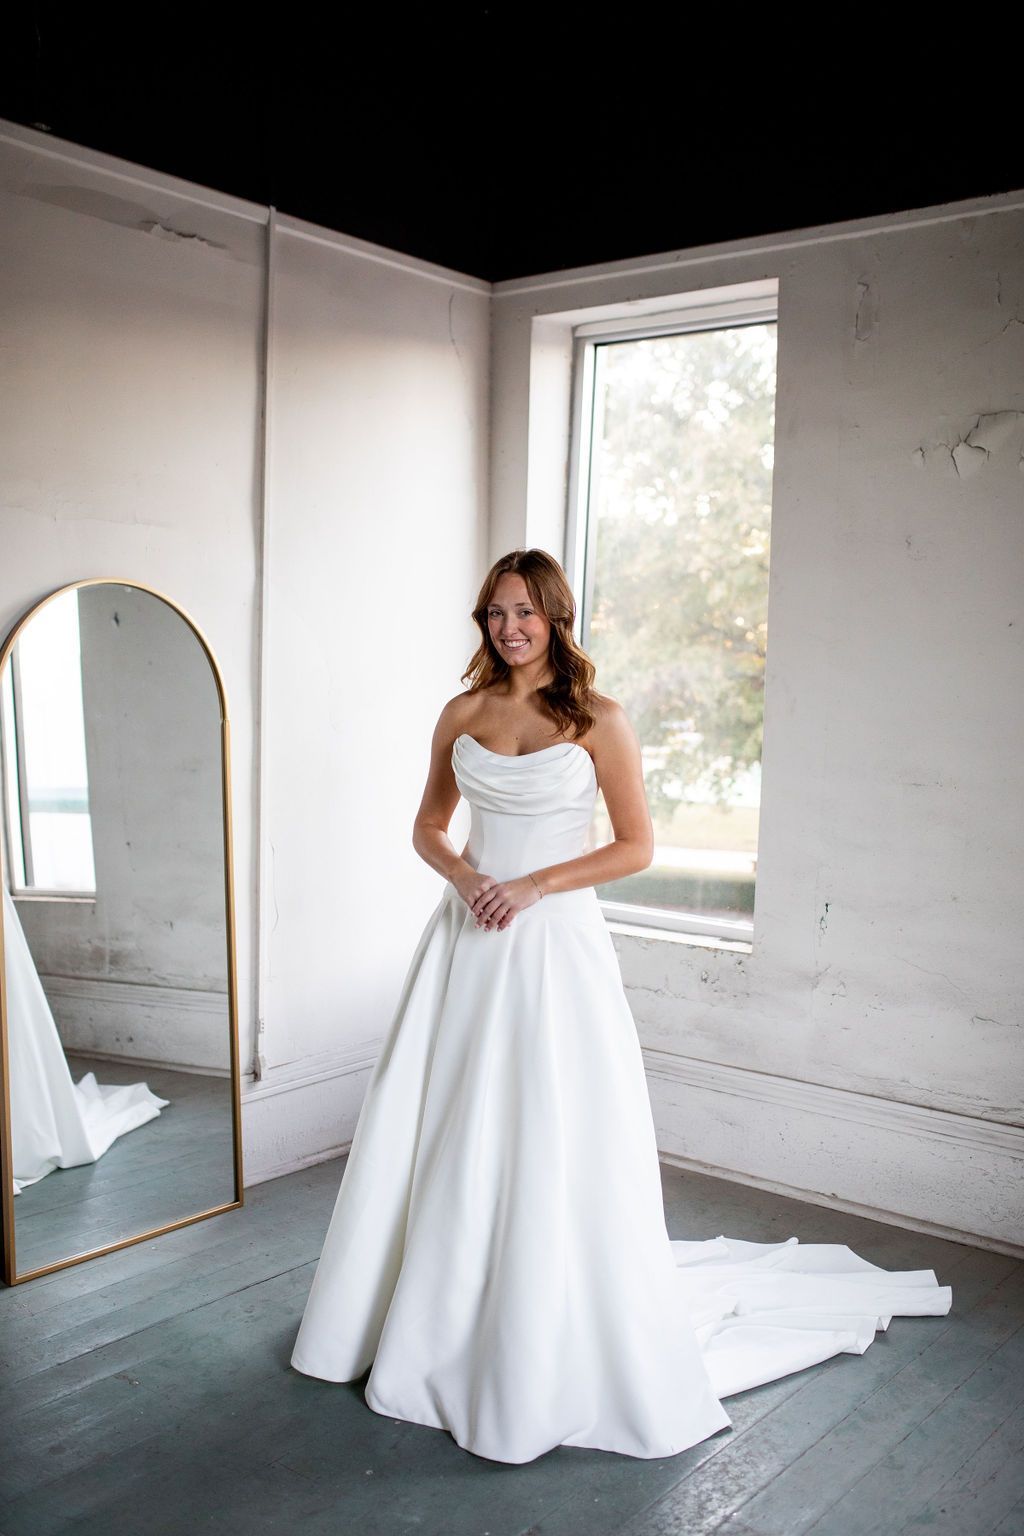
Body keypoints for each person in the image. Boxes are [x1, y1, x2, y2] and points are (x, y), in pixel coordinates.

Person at [289, 548, 953, 1465]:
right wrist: (471, 880)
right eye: (495, 613)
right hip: (466, 942)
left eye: (525, 612)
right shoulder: (462, 714)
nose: (509, 628)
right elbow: (428, 826)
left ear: (556, 617)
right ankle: (432, 1309)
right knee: (447, 1119)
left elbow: (638, 846)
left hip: (553, 944)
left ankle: (537, 1312)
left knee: (547, 1121)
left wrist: (533, 886)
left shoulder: (599, 719)